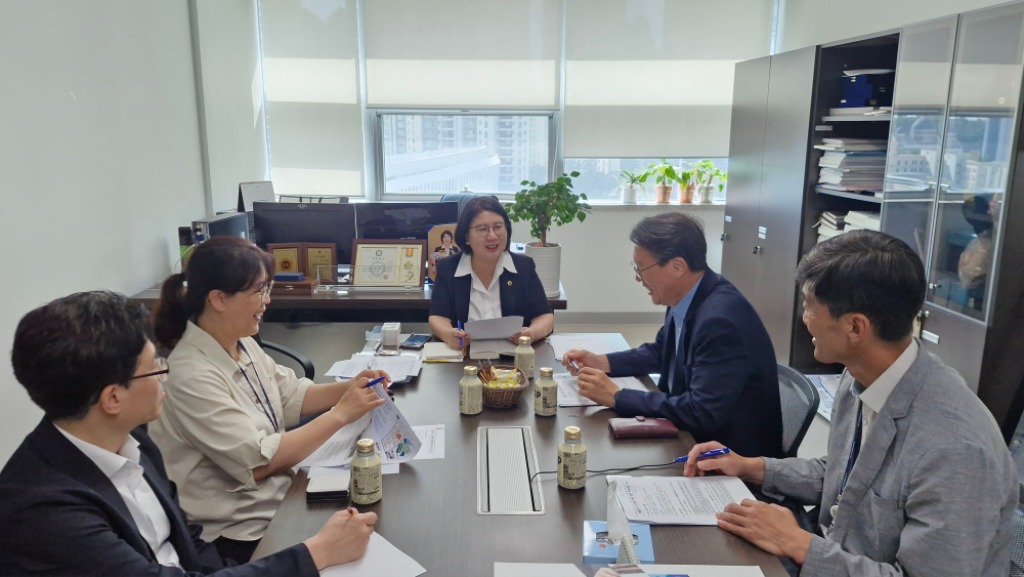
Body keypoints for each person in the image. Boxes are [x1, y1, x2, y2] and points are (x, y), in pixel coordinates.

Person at [682, 230, 1017, 576]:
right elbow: (846, 477)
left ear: (855, 327)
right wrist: (752, 466)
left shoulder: (954, 447)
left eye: (810, 305)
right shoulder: (861, 374)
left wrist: (800, 545)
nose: (804, 317)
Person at [0, 291, 376, 576]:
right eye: (155, 367)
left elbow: (188, 544)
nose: (167, 373)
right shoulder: (45, 512)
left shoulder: (132, 443)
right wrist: (316, 553)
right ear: (112, 398)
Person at [150, 236, 388, 563]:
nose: (267, 301)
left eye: (268, 288)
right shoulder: (190, 374)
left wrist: (351, 388)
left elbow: (291, 395)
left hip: (281, 495)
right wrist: (341, 414)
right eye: (258, 291)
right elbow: (258, 464)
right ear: (218, 299)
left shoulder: (240, 342)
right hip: (241, 532)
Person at [562, 212, 782, 459]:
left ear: (677, 267)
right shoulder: (688, 295)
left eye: (641, 268)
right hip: (692, 434)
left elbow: (701, 412)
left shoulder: (720, 321)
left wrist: (616, 396)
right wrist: (602, 361)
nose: (637, 277)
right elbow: (661, 350)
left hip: (729, 456)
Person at [428, 196, 554, 349]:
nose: (492, 236)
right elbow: (438, 317)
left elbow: (545, 316)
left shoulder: (523, 267)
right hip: (465, 360)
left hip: (512, 361)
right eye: (483, 229)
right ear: (467, 236)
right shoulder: (449, 268)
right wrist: (447, 333)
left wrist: (531, 333)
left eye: (498, 227)